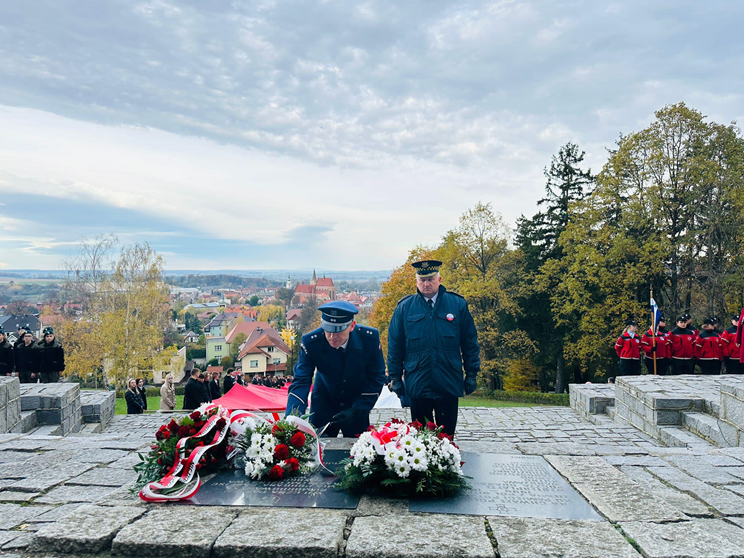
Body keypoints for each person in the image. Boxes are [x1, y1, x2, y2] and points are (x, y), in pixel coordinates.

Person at [387, 259, 480, 436]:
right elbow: (395, 347)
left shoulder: (457, 305)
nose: (426, 284)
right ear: (416, 282)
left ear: (439, 279)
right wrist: (395, 377)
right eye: (422, 280)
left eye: (430, 279)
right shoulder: (405, 308)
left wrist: (472, 374)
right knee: (421, 439)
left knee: (447, 437)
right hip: (418, 381)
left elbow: (470, 343)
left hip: (448, 380)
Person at [286, 300, 385, 437]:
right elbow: (301, 382)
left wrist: (358, 409)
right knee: (317, 447)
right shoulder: (311, 342)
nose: (332, 337)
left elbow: (377, 377)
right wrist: (293, 418)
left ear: (352, 326)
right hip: (324, 400)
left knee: (359, 449)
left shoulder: (369, 339)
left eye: (338, 331)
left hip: (356, 401)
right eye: (328, 330)